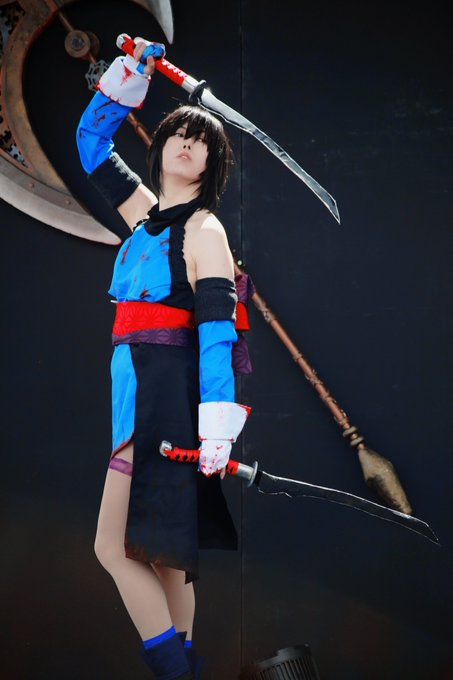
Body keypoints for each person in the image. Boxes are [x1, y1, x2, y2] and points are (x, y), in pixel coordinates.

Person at [76, 38, 250, 680]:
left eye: (201, 140)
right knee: (166, 557)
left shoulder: (205, 230)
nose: (186, 142)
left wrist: (216, 429)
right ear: (160, 146)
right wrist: (131, 74)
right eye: (178, 132)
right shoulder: (144, 216)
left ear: (212, 163)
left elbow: (217, 335)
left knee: (112, 547)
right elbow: (91, 146)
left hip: (165, 400)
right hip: (134, 392)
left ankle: (177, 675)